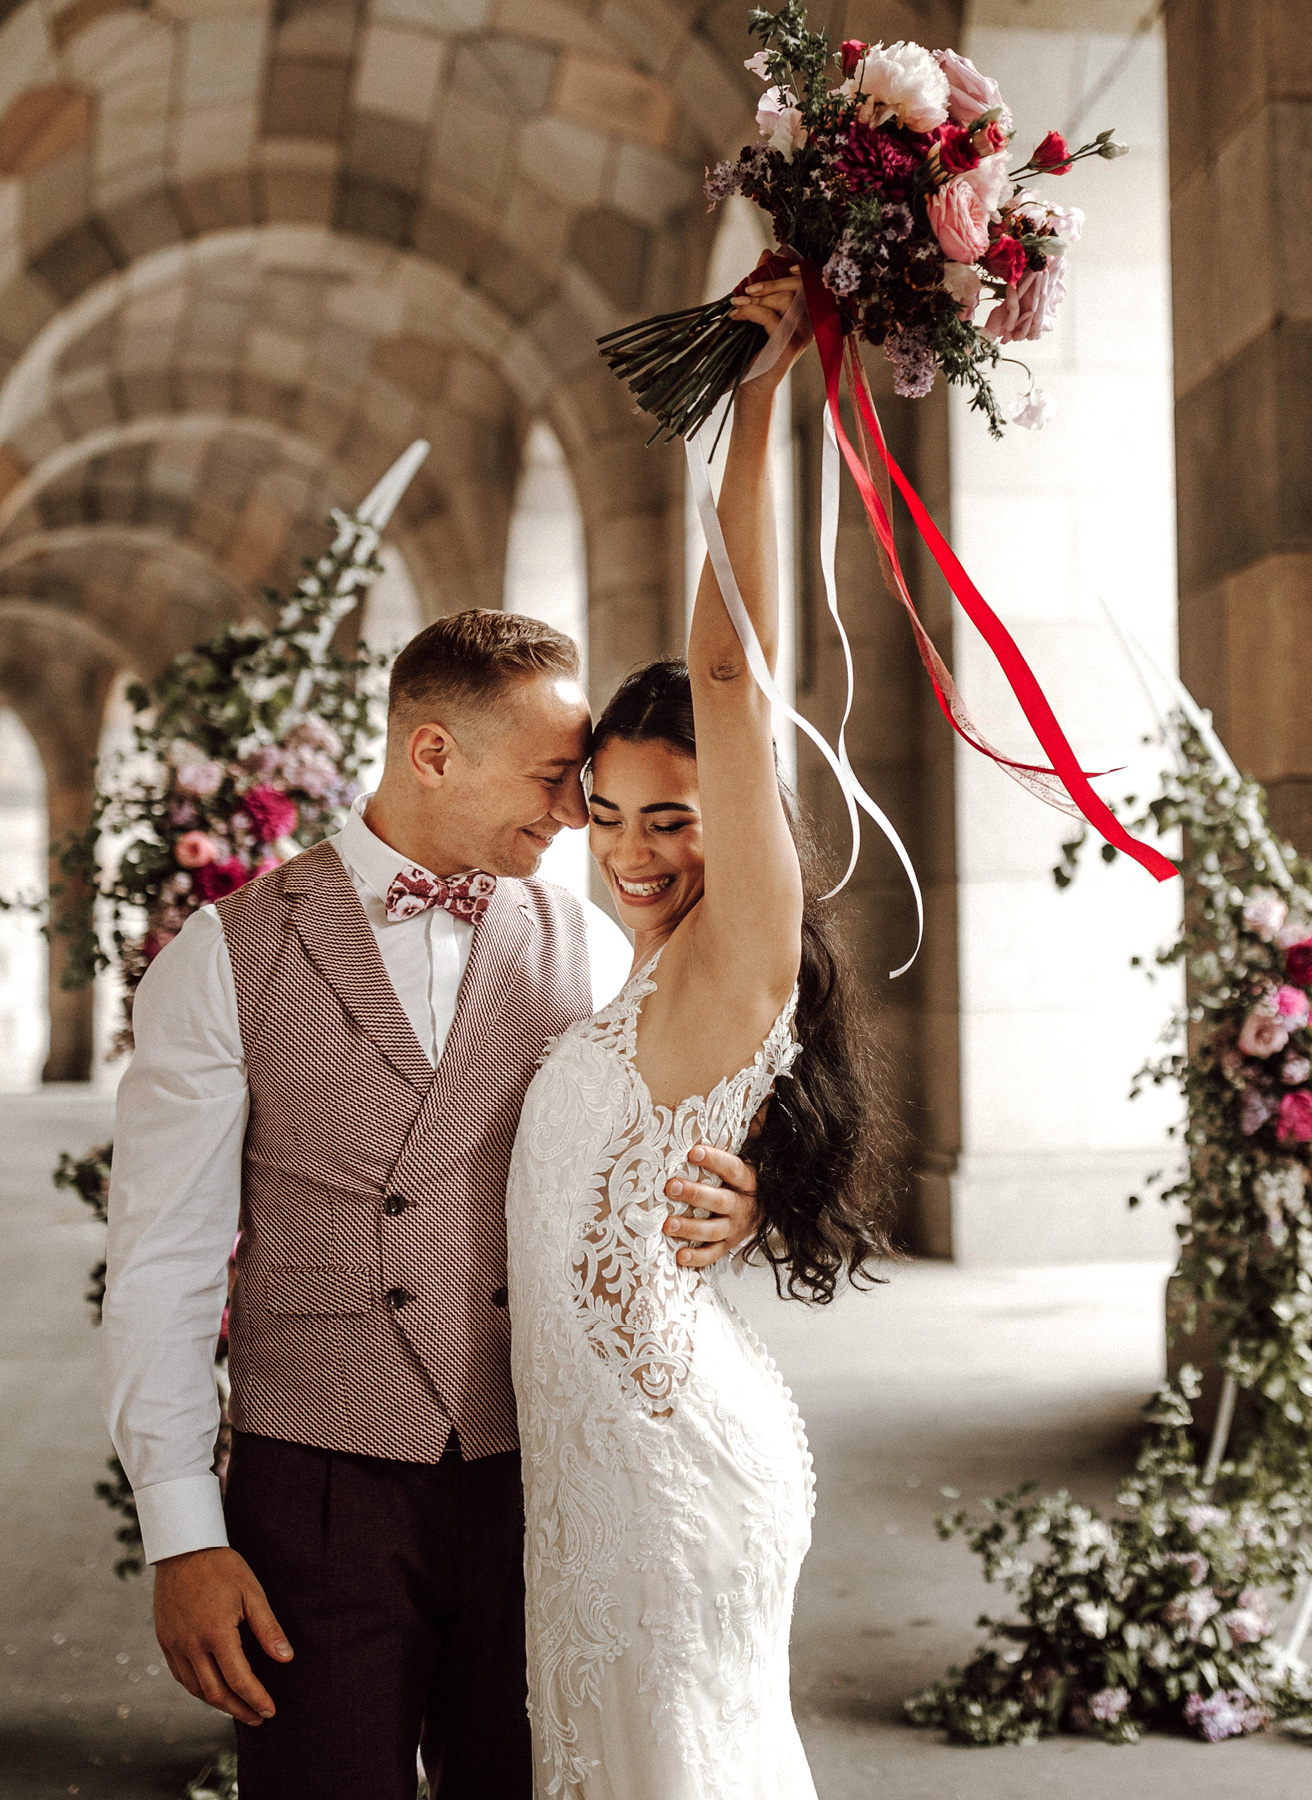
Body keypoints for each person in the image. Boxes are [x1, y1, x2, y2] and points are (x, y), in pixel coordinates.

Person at [100, 610, 766, 1799]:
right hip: (316, 1492)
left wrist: (738, 1199)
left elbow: (661, 1132)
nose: (575, 817)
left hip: (544, 1464)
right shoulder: (224, 953)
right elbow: (165, 1262)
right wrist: (183, 1533)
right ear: (432, 752)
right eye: (556, 780)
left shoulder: (594, 943)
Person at [505, 266, 897, 1797]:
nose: (633, 852)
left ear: (734, 821)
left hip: (667, 1483)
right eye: (604, 818)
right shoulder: (642, 977)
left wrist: (760, 388)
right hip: (593, 1483)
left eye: (672, 816)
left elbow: (730, 663)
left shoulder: (743, 947)